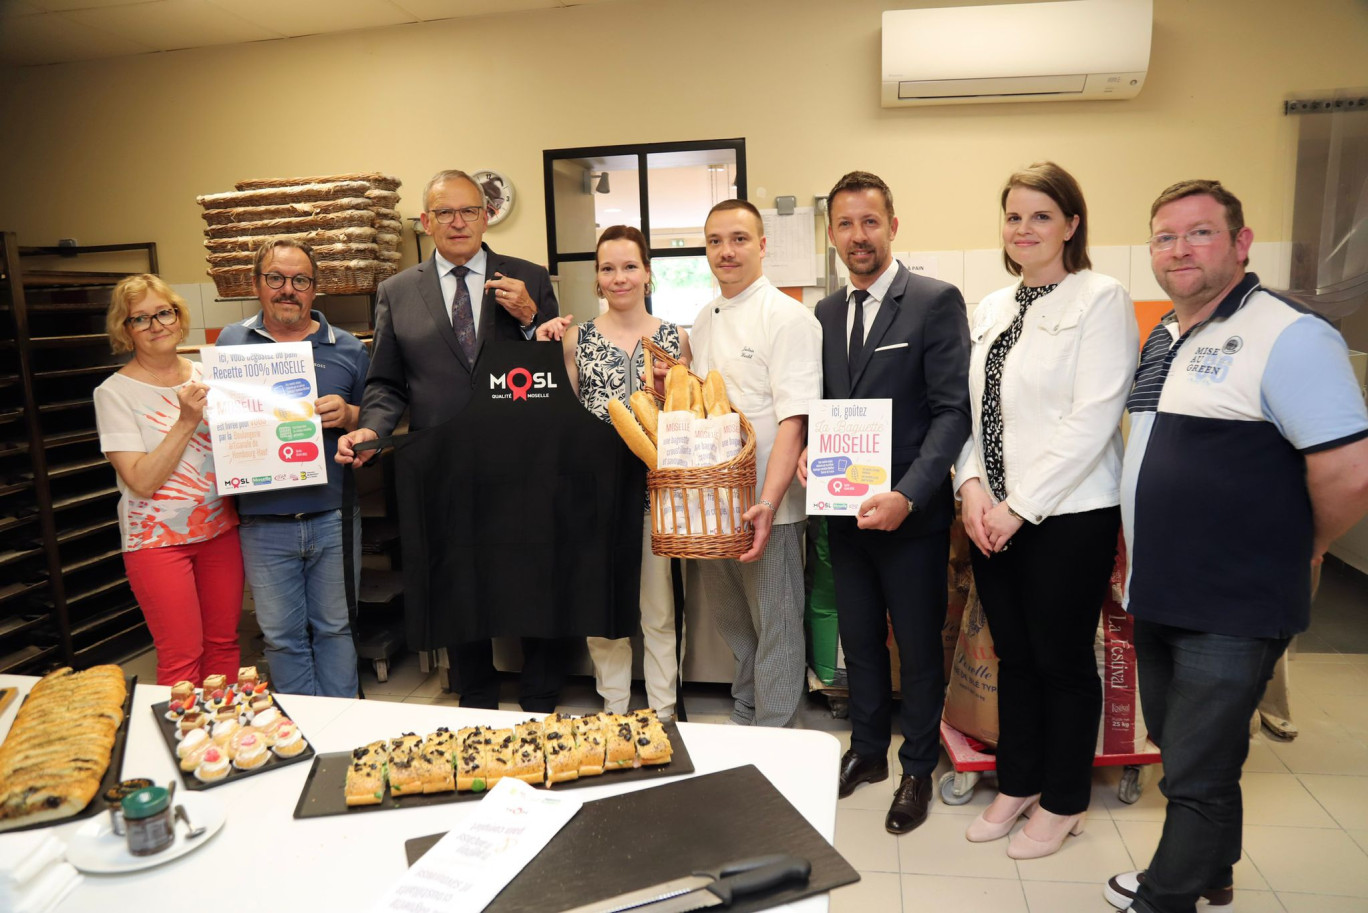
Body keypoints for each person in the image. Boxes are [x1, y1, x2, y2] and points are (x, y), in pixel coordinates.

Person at [1104, 180, 1368, 913]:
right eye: (1165, 237)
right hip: (1159, 586)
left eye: (1200, 233)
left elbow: (1351, 470)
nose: (1179, 249)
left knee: (1195, 759)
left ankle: (1168, 894)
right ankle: (1213, 871)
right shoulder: (1164, 333)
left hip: (1235, 598)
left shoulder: (1291, 333)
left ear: (1241, 242)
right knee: (1190, 744)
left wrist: (1304, 542)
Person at [953, 162, 1139, 857]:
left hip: (1069, 516)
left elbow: (1093, 417)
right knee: (1014, 657)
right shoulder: (992, 306)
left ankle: (1063, 798)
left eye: (1039, 215)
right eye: (1013, 216)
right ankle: (1018, 780)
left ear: (1071, 223)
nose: (1023, 229)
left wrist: (1019, 507)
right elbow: (972, 414)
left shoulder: (1100, 297)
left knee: (1061, 658)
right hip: (991, 516)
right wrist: (971, 488)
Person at [337, 168, 570, 712]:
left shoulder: (529, 279)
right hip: (442, 465)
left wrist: (532, 318)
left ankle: (540, 696)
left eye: (469, 211)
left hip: (524, 464)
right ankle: (477, 697)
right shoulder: (398, 290)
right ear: (426, 221)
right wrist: (371, 427)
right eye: (445, 212)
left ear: (487, 217)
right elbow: (387, 382)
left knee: (535, 576)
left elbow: (557, 371)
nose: (458, 221)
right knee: (459, 582)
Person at [805, 170, 970, 834]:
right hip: (845, 517)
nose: (857, 235)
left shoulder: (933, 300)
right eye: (844, 224)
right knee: (861, 641)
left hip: (911, 517)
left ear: (893, 226)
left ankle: (917, 765)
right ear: (832, 234)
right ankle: (869, 752)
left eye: (869, 221)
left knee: (919, 648)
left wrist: (908, 494)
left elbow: (951, 413)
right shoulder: (824, 313)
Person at [539, 225, 691, 719]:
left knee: (659, 610)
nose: (619, 277)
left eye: (630, 266)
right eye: (608, 268)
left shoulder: (674, 337)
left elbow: (690, 419)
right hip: (594, 496)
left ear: (648, 273)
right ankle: (615, 710)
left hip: (656, 494)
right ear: (597, 280)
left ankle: (665, 711)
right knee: (603, 612)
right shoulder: (575, 339)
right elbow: (561, 421)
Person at [686, 199, 821, 728]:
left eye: (739, 239)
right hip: (714, 505)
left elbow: (795, 420)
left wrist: (767, 500)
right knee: (736, 623)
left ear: (763, 246)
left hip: (771, 506)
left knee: (777, 625)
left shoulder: (787, 318)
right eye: (715, 241)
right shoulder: (703, 318)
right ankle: (749, 709)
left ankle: (777, 734)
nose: (727, 251)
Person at [217, 239, 369, 697]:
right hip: (263, 522)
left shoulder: (347, 348)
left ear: (315, 289)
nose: (288, 290)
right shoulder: (230, 342)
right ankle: (300, 731)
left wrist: (349, 414)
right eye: (276, 279)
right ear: (256, 284)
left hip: (333, 517)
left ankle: (342, 728)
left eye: (300, 280)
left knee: (336, 630)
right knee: (282, 640)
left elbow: (376, 416)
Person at [94, 274, 243, 685]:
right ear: (125, 331)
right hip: (157, 544)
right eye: (139, 319)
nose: (157, 324)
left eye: (164, 312)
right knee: (182, 658)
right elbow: (141, 480)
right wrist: (186, 421)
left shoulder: (209, 374)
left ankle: (221, 743)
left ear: (179, 316)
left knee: (223, 644)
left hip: (219, 531)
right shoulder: (113, 394)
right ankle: (181, 746)